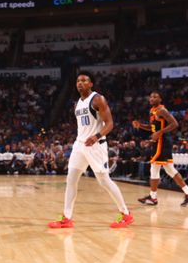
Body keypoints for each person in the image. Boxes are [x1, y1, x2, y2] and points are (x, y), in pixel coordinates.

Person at [49, 72, 134, 229]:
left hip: (96, 145)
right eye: (78, 81)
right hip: (80, 145)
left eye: (84, 80)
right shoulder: (77, 103)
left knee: (104, 181)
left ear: (91, 84)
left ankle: (126, 214)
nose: (80, 83)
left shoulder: (98, 99)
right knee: (71, 180)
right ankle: (67, 218)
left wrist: (96, 136)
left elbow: (109, 124)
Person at [134, 91, 188, 206]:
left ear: (160, 99)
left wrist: (160, 132)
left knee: (154, 167)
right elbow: (152, 127)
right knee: (169, 169)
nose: (152, 99)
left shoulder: (162, 110)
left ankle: (153, 197)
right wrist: (141, 125)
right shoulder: (152, 111)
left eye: (155, 97)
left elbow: (175, 123)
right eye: (151, 97)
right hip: (159, 142)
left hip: (162, 142)